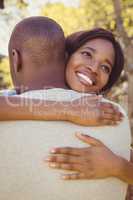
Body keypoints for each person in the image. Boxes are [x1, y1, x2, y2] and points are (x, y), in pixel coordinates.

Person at [0, 17, 132, 198]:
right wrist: (67, 110)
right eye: (87, 54)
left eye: (105, 67)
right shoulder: (18, 97)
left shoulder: (109, 114)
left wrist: (117, 166)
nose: (94, 68)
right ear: (65, 56)